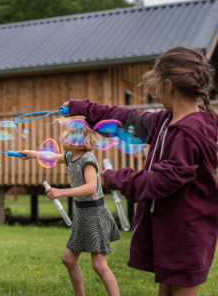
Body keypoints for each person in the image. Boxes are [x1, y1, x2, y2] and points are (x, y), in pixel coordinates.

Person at [63, 46, 218, 296]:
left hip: (187, 232)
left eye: (155, 85)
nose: (154, 91)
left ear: (167, 85)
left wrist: (117, 178)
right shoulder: (167, 121)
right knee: (165, 290)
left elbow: (164, 179)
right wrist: (86, 109)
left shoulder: (189, 132)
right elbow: (128, 119)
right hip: (171, 227)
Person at [19, 118, 121, 296]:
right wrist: (32, 153)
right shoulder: (70, 156)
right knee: (68, 260)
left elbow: (91, 187)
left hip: (95, 214)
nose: (66, 136)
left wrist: (62, 192)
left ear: (83, 138)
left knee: (99, 265)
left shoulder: (87, 159)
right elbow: (50, 157)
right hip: (82, 214)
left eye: (72, 133)